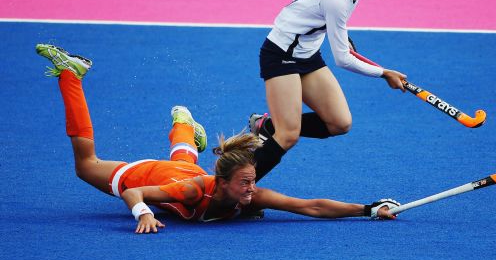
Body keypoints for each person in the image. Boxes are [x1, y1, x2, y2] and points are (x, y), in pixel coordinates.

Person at [36, 43, 400, 234]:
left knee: (181, 163)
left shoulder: (247, 192)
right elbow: (135, 193)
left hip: (180, 172)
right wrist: (143, 213)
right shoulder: (195, 191)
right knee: (85, 165)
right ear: (221, 182)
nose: (251, 189)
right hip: (151, 176)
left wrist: (369, 209)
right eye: (244, 183)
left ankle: (185, 129)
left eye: (252, 181)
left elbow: (310, 206)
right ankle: (72, 74)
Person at [248, 0, 407, 181]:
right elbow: (342, 59)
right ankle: (234, 191)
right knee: (288, 135)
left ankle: (267, 126)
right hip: (281, 55)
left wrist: (343, 37)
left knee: (339, 123)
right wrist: (384, 73)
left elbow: (327, 22)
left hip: (307, 55)